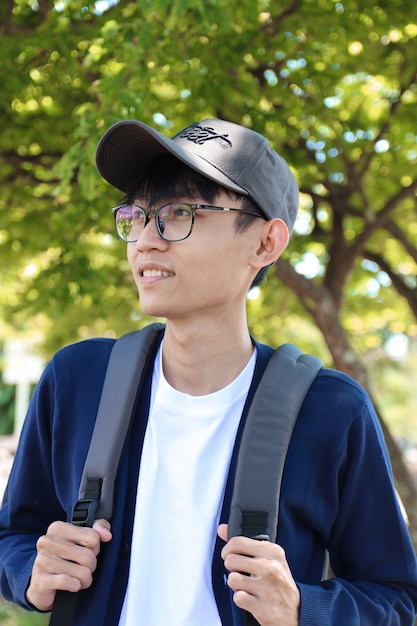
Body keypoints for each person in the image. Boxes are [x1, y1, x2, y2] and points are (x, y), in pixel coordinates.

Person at [0, 117, 416, 626]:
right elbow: (12, 538)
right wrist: (31, 572)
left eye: (178, 213)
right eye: (138, 215)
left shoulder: (331, 411)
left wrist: (305, 608)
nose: (145, 241)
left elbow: (396, 596)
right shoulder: (77, 380)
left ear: (266, 243)